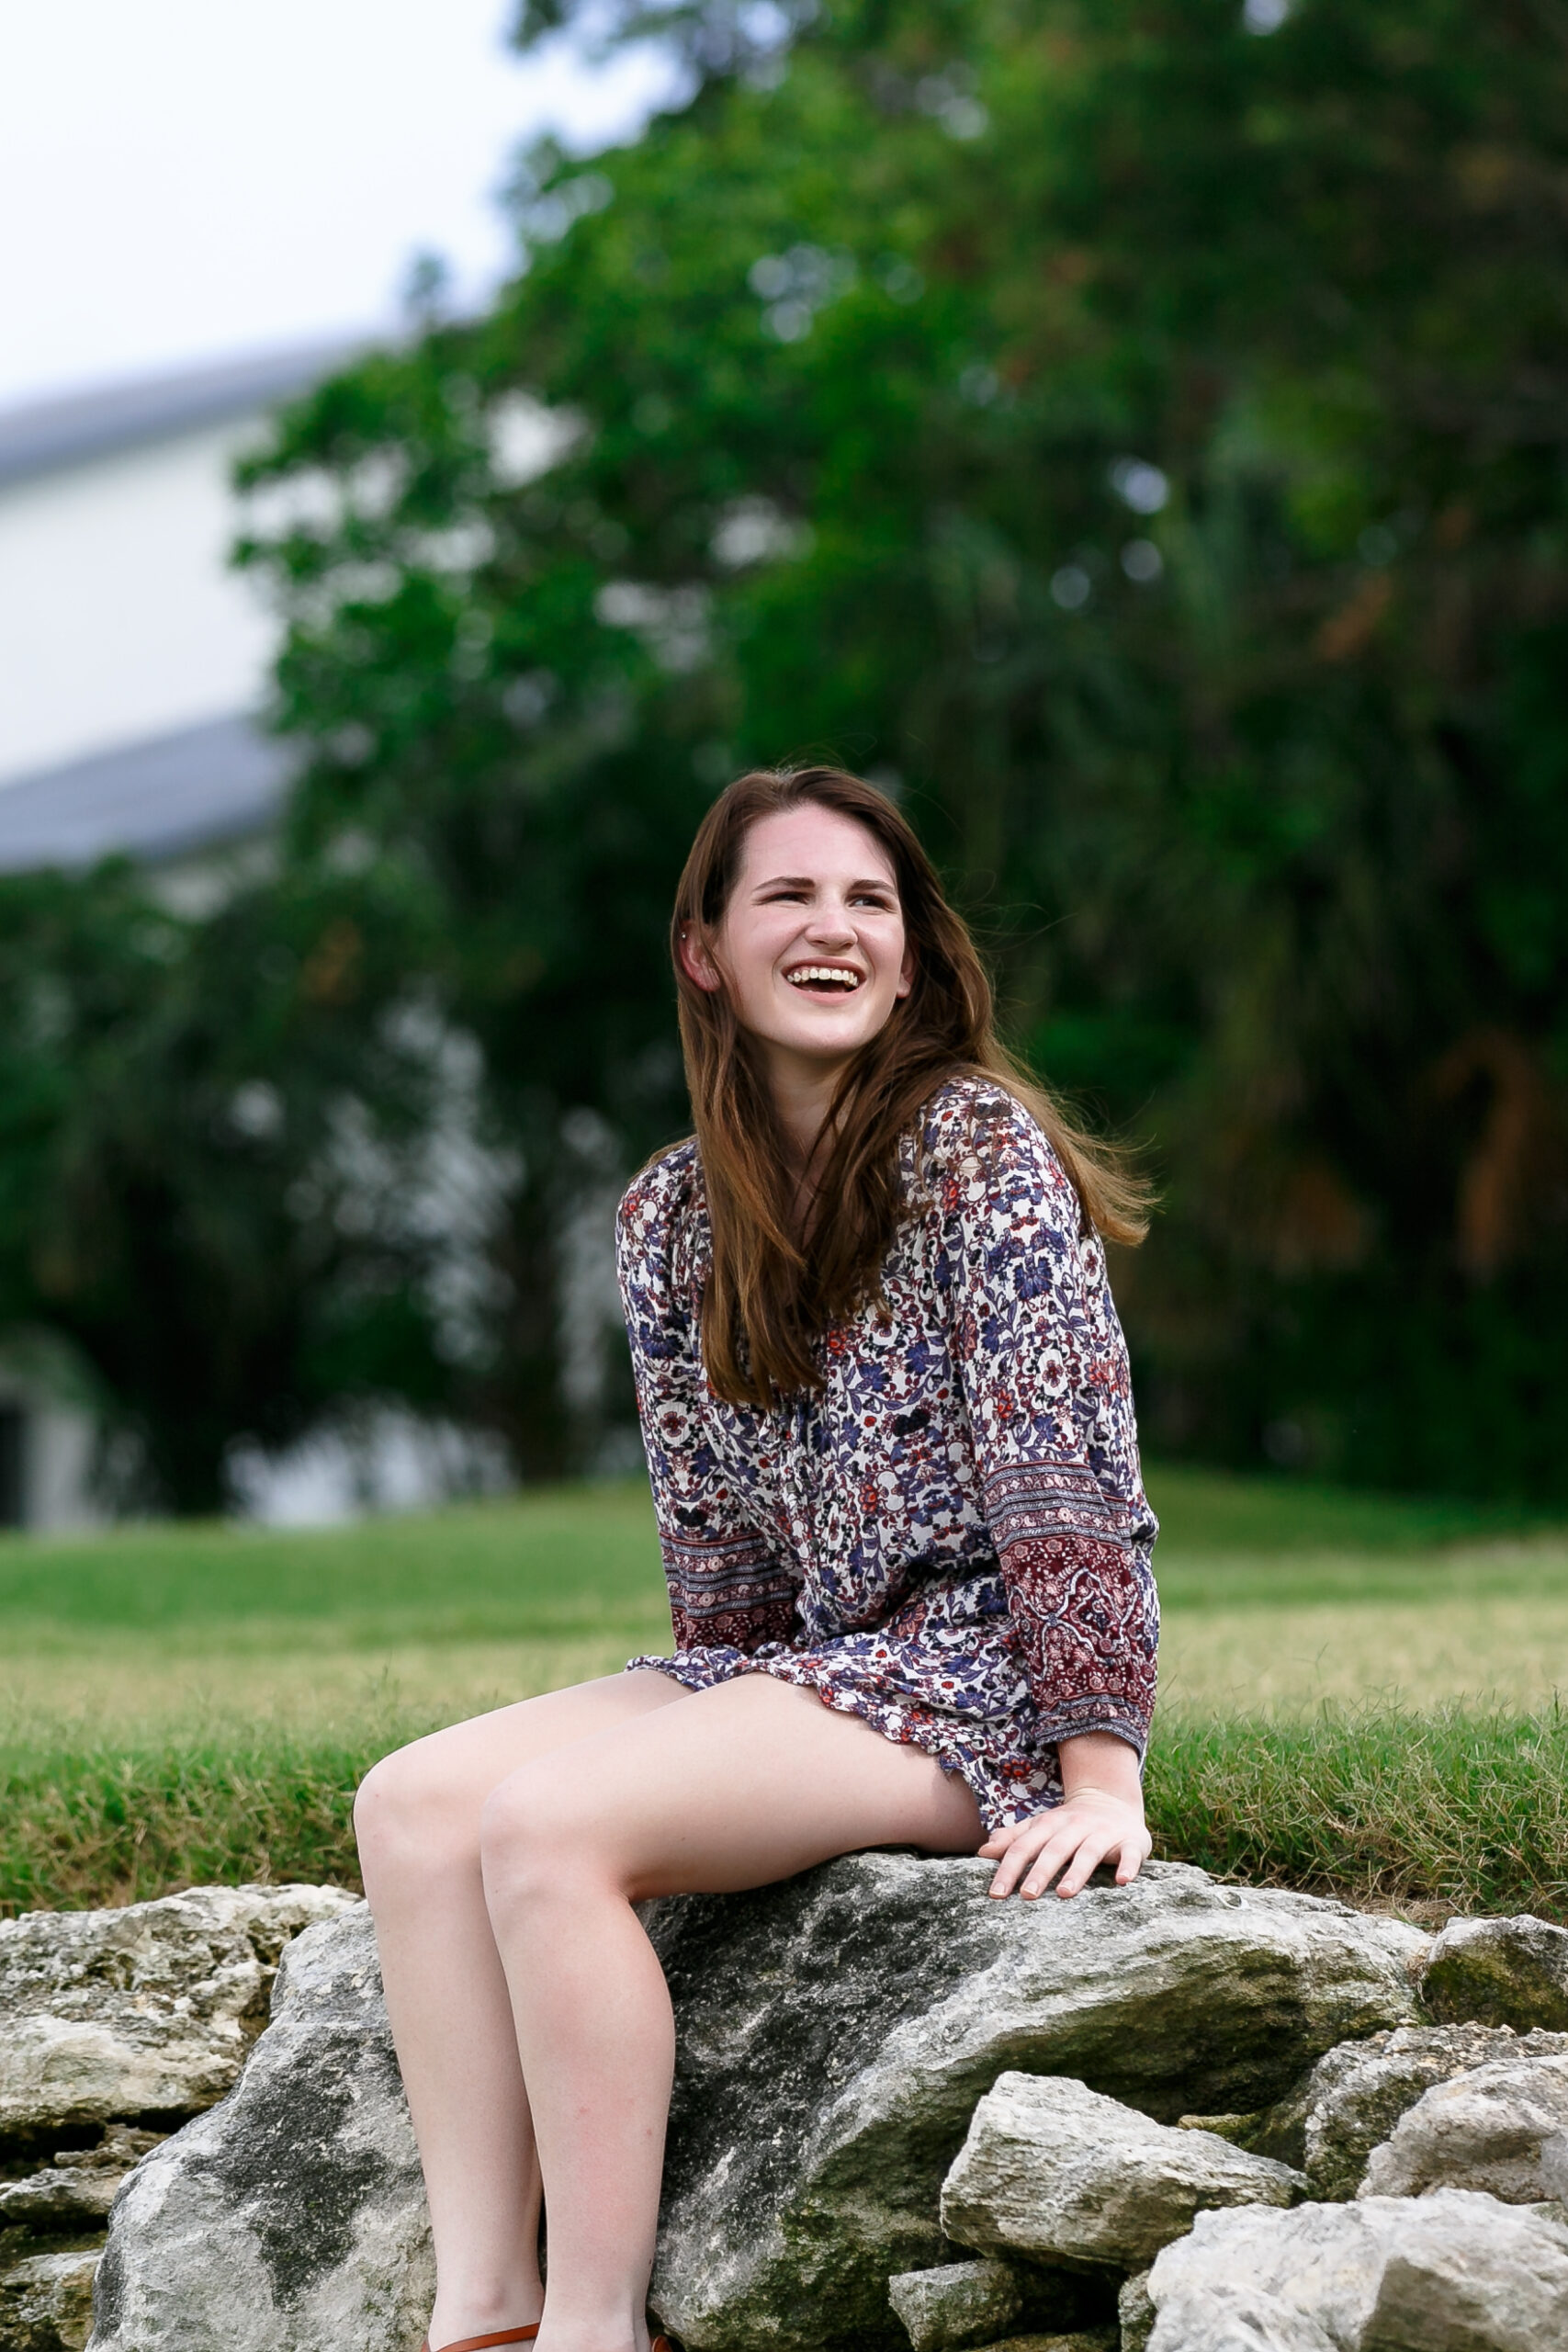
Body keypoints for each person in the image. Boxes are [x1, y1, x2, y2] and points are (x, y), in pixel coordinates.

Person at [354, 766, 1160, 2352]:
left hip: (979, 1675)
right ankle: (486, 2312)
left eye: (871, 902)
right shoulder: (667, 1214)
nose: (835, 930)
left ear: (915, 955)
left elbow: (1066, 1481)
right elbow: (717, 1548)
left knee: (551, 1831)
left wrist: (1101, 1778)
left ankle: (599, 2331)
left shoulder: (974, 1153)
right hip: (809, 1666)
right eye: (787, 896)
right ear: (706, 951)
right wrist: (708, 1723)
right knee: (414, 1805)